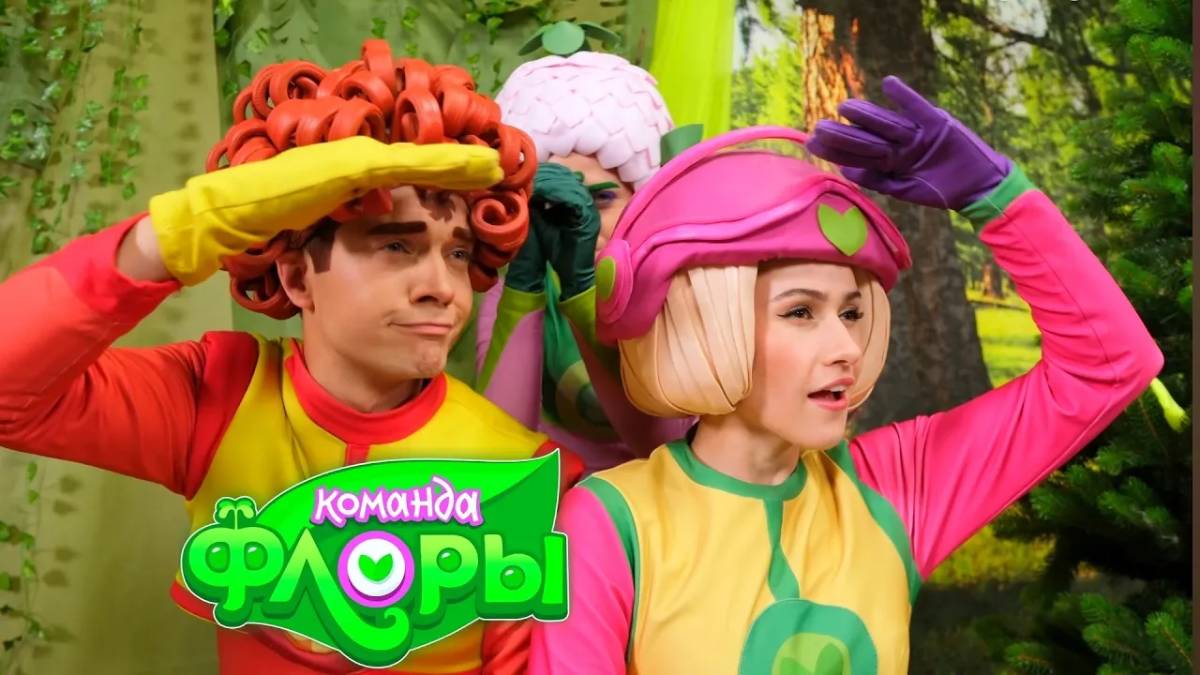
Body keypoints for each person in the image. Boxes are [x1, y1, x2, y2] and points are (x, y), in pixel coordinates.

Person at [528, 77, 1163, 674]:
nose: (846, 348)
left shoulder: (894, 490)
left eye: (852, 313)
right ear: (704, 324)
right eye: (800, 312)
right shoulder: (608, 523)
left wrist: (994, 199)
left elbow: (1110, 366)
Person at [0, 39, 580, 674]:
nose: (442, 287)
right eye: (396, 246)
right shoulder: (218, 398)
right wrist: (178, 231)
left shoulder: (526, 474)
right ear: (299, 276)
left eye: (459, 253)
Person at [477, 49, 691, 474]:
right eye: (549, 202)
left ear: (645, 199)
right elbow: (500, 453)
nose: (581, 222)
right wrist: (525, 280)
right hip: (558, 496)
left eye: (602, 198)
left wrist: (582, 289)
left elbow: (669, 449)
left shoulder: (679, 287)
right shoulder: (516, 290)